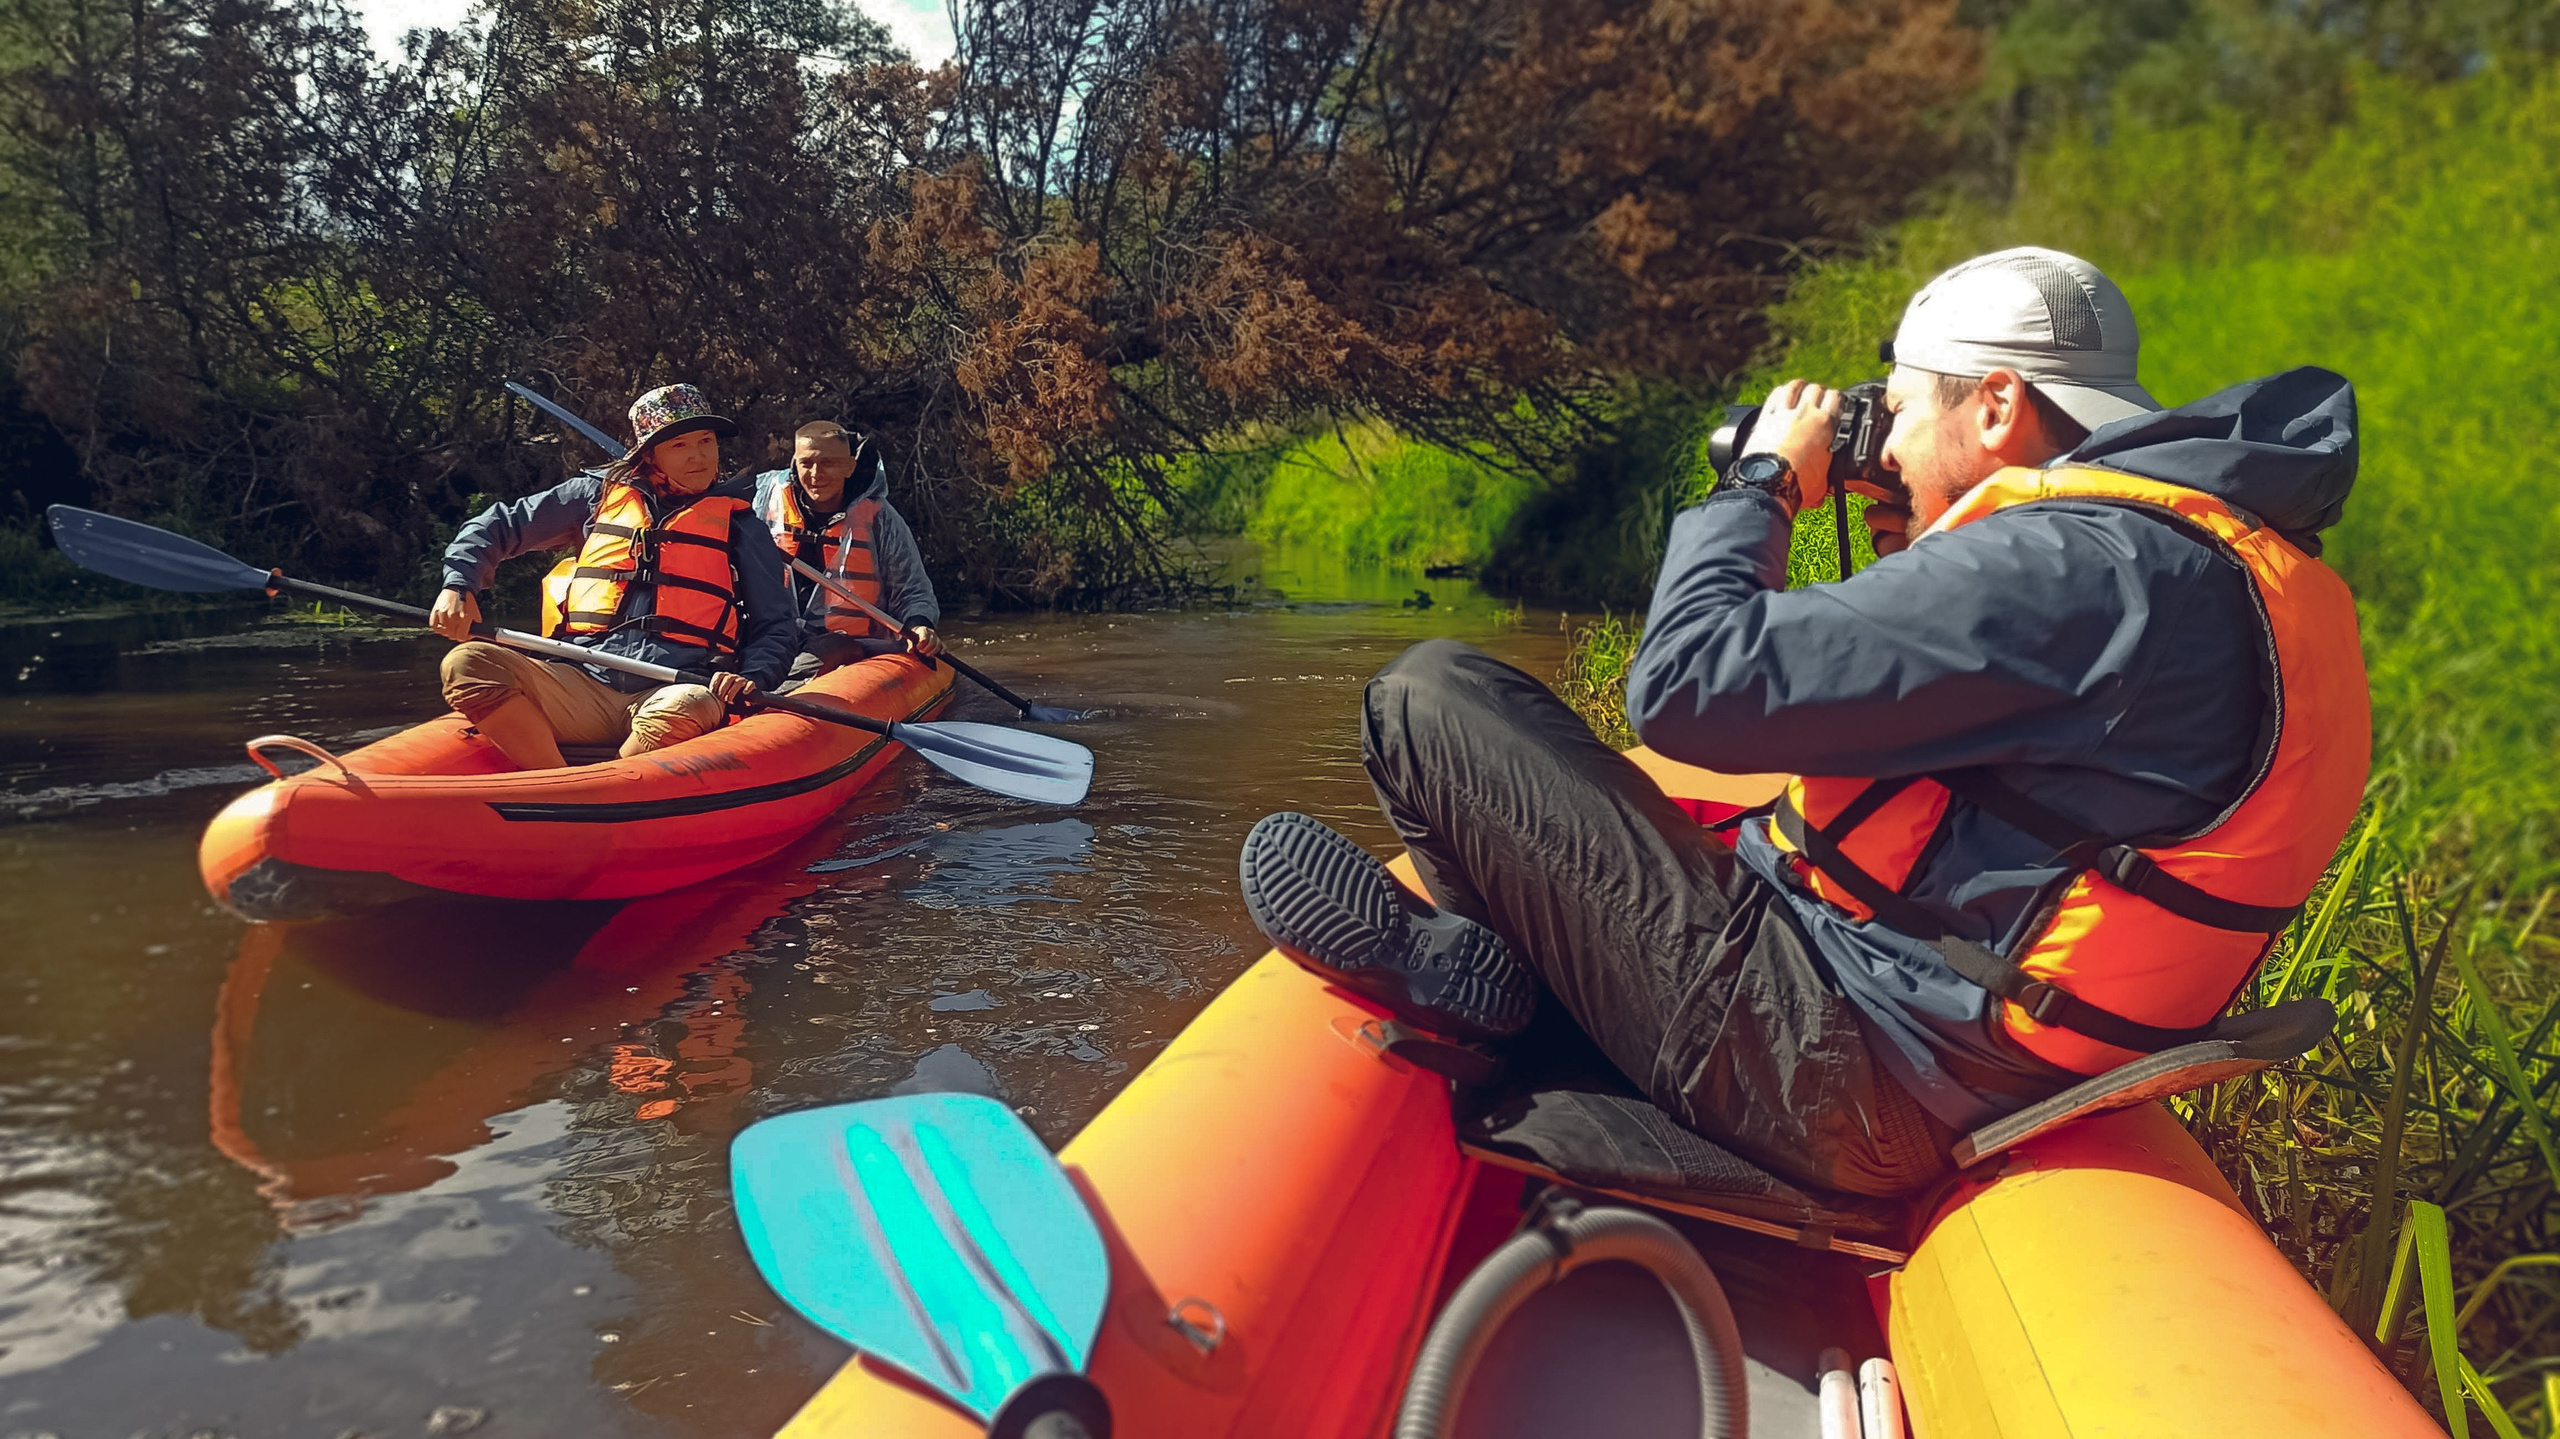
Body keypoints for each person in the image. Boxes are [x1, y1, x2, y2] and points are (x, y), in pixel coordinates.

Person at [1236, 247, 2370, 1198]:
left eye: (1901, 404)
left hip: (1841, 1068)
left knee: (1430, 697)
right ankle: (1518, 984)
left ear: (1996, 404)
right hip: (1927, 1046)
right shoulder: (2181, 560)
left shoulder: (2070, 565)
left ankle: (1507, 1002)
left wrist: (1765, 484)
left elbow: (1685, 685)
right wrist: (1908, 531)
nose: (1882, 445)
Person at [429, 384, 799, 771]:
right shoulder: (593, 497)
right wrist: (458, 584)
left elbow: (775, 624)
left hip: (672, 690)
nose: (699, 456)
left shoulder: (740, 523)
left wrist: (752, 677)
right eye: (679, 446)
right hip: (579, 683)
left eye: (706, 441)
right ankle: (558, 780)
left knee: (691, 703)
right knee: (466, 662)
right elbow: (498, 525)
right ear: (649, 456)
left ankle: (602, 785)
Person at [749, 421, 941, 682]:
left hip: (849, 644)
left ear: (849, 466)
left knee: (831, 648)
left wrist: (920, 624)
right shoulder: (762, 500)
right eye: (806, 463)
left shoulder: (879, 518)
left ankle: (772, 692)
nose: (816, 474)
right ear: (795, 463)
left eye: (828, 463)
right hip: (773, 638)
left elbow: (912, 589)